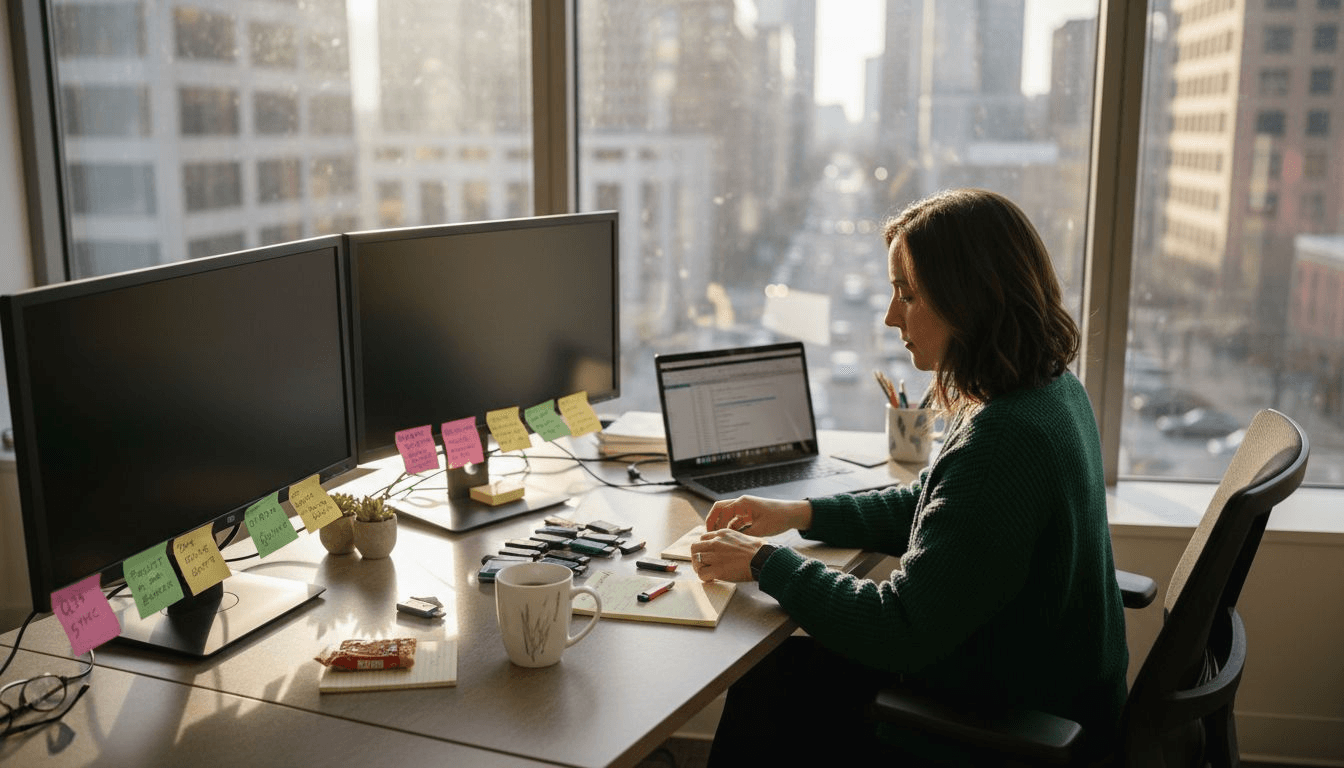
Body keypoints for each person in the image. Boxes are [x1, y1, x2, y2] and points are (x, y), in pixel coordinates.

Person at [690, 188, 1129, 763]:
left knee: (767, 689)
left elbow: (899, 627)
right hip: (1043, 687)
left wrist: (763, 562)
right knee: (777, 674)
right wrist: (800, 514)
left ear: (969, 299)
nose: (891, 315)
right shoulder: (1046, 388)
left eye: (908, 294)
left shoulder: (1005, 437)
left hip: (1009, 722)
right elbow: (935, 503)